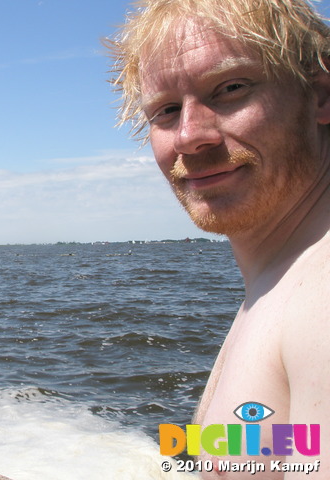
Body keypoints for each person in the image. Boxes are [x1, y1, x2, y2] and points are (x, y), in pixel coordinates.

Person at [109, 0, 330, 478]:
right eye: (166, 110)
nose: (190, 136)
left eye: (231, 88)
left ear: (320, 95)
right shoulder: (281, 280)